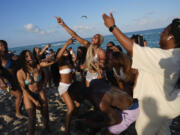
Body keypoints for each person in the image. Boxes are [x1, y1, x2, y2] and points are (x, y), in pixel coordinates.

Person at [102, 12, 180, 135]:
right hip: (167, 106)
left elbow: (134, 49)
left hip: (154, 109)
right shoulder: (175, 56)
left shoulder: (166, 57)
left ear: (170, 37)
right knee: (163, 132)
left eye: (164, 31)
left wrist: (112, 27)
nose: (161, 34)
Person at [68, 78, 139, 135]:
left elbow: (117, 120)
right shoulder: (94, 82)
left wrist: (95, 125)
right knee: (96, 115)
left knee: (105, 133)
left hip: (131, 110)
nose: (76, 101)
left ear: (80, 96)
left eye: (75, 99)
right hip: (130, 100)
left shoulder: (101, 103)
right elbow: (106, 81)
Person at [55, 16, 106, 87]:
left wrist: (97, 66)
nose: (93, 38)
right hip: (89, 74)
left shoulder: (101, 52)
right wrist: (63, 25)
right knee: (90, 93)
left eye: (96, 37)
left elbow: (103, 66)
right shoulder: (88, 45)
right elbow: (75, 35)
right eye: (93, 36)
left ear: (100, 41)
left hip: (98, 75)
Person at [17, 50, 55, 135]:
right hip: (28, 94)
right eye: (27, 56)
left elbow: (52, 61)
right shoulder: (20, 72)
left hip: (40, 91)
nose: (30, 57)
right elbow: (24, 89)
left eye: (31, 55)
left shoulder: (38, 67)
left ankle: (47, 127)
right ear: (23, 59)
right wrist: (34, 101)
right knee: (32, 116)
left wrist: (45, 59)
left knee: (45, 111)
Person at [56, 38, 79, 134]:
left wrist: (72, 51)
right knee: (71, 107)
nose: (65, 51)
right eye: (63, 51)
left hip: (72, 86)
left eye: (66, 50)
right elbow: (58, 55)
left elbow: (75, 58)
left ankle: (72, 119)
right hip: (64, 87)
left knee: (78, 104)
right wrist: (66, 43)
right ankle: (67, 131)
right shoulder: (60, 62)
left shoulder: (70, 62)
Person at [0, 40, 24, 118]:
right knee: (19, 95)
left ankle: (20, 110)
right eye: (1, 45)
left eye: (5, 45)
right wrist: (3, 82)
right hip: (5, 84)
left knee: (23, 94)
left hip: (15, 80)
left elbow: (20, 61)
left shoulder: (10, 55)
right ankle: (18, 113)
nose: (4, 46)